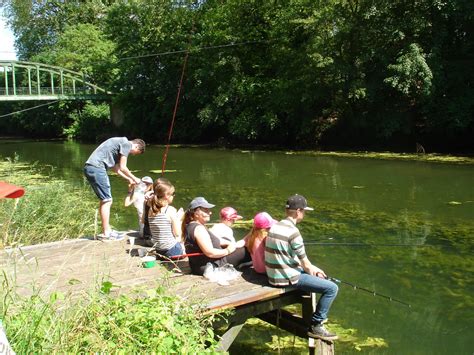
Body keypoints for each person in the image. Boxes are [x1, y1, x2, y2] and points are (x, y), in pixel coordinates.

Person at [265, 194, 339, 341]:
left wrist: (313, 269)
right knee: (331, 288)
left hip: (273, 274)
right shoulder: (294, 233)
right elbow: (306, 265)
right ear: (298, 211)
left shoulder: (275, 226)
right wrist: (315, 271)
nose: (304, 214)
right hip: (286, 278)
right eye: (304, 211)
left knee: (316, 277)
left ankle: (316, 321)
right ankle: (316, 325)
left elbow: (286, 256)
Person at [83, 137, 145, 240]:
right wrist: (135, 178)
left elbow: (116, 169)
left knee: (105, 199)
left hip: (92, 167)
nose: (132, 154)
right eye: (135, 152)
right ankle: (106, 233)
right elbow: (123, 167)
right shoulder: (126, 144)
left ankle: (107, 230)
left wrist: (129, 179)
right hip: (97, 167)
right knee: (107, 200)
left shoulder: (119, 144)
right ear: (137, 146)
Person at [182, 197, 249, 275]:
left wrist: (229, 243)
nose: (210, 213)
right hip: (209, 265)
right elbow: (210, 253)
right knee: (245, 251)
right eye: (206, 210)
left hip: (199, 264)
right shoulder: (198, 229)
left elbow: (213, 240)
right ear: (196, 214)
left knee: (229, 241)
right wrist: (228, 250)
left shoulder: (190, 225)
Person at [146, 179, 183, 257]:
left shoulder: (151, 210)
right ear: (166, 195)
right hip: (173, 251)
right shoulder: (170, 210)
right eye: (173, 194)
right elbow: (177, 233)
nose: (174, 196)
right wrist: (179, 218)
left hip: (159, 250)